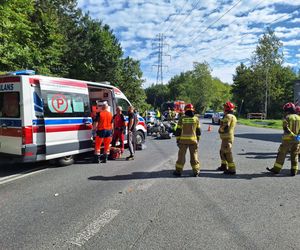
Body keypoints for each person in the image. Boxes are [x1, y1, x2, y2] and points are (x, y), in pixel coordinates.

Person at [267, 102, 300, 176]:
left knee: (281, 154)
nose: (285, 112)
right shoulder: (299, 117)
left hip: (287, 140)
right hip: (297, 140)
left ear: (288, 110)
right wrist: (298, 136)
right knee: (295, 155)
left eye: (285, 111)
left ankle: (276, 169)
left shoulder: (287, 117)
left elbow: (285, 128)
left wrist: (292, 135)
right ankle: (294, 170)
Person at [173, 103, 201, 177]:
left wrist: (177, 140)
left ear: (185, 110)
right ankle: (196, 171)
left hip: (183, 141)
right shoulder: (196, 119)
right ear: (193, 110)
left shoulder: (182, 118)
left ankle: (178, 171)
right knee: (194, 156)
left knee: (181, 156)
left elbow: (178, 131)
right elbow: (198, 131)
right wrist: (198, 140)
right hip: (193, 140)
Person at [217, 101, 237, 175]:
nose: (223, 108)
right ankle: (223, 166)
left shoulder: (228, 116)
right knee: (222, 152)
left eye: (224, 107)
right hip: (227, 137)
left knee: (227, 153)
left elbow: (225, 126)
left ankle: (232, 169)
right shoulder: (232, 116)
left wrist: (220, 130)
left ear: (227, 108)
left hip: (227, 137)